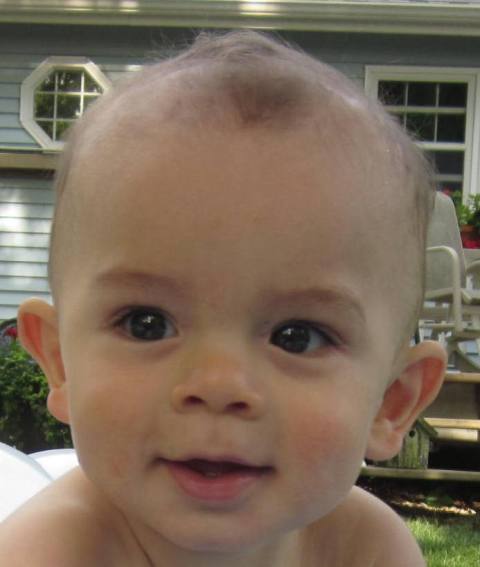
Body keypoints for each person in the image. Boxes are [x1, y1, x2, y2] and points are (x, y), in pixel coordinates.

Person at [0, 31, 446, 566]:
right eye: (146, 323)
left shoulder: (365, 549)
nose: (217, 385)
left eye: (297, 337)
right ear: (59, 361)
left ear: (392, 401)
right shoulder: (47, 552)